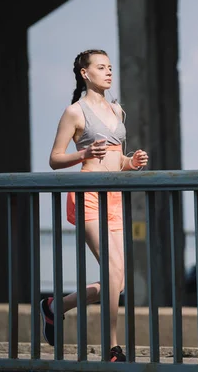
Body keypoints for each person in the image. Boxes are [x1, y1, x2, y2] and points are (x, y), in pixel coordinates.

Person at [40, 49, 148, 362]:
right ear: (85, 73)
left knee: (119, 281)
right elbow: (55, 159)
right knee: (113, 271)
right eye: (101, 67)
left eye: (110, 67)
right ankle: (112, 347)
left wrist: (132, 162)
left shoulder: (117, 110)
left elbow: (117, 160)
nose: (108, 72)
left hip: (114, 196)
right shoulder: (75, 112)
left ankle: (55, 307)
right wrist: (84, 155)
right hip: (88, 194)